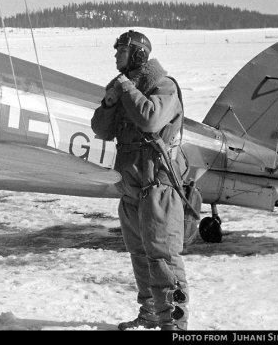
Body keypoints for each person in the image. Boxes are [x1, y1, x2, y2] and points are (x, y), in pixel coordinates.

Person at [90, 30, 189, 331]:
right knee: (140, 256)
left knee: (163, 258)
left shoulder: (163, 86)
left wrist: (126, 90)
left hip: (159, 186)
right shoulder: (124, 89)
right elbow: (101, 130)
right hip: (132, 188)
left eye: (120, 49)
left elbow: (150, 119)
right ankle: (149, 314)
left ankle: (174, 325)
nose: (115, 55)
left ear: (137, 54)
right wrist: (109, 103)